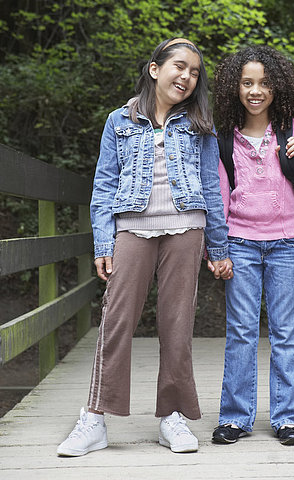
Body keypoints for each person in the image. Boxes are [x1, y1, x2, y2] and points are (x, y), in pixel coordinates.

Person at [57, 37, 233, 457]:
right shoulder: (119, 120)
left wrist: (218, 246)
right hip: (132, 227)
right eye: (179, 66)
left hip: (186, 228)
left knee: (177, 325)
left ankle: (171, 417)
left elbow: (211, 187)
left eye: (194, 72)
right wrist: (103, 240)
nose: (187, 77)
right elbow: (103, 186)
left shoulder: (199, 124)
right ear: (155, 69)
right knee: (116, 320)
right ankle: (95, 418)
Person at [210, 45, 294, 446]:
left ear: (277, 87)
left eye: (264, 83)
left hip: (286, 244)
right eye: (247, 83)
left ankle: (289, 419)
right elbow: (221, 197)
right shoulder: (225, 136)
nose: (256, 90)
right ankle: (235, 418)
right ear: (235, 88)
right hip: (240, 242)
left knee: (285, 332)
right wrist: (218, 249)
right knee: (241, 331)